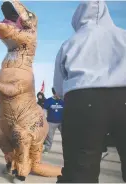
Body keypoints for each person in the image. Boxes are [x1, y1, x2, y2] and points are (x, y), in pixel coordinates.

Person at [53, 1, 126, 182]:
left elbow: (59, 86)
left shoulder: (71, 43)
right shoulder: (123, 36)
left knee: (80, 170)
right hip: (123, 96)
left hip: (83, 100)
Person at [42, 88, 64, 153]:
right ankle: (47, 149)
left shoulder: (63, 100)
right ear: (54, 93)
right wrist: (44, 119)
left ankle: (66, 150)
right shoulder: (48, 100)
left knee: (65, 136)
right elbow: (44, 110)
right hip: (51, 122)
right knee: (49, 137)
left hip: (62, 122)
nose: (59, 96)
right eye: (58, 94)